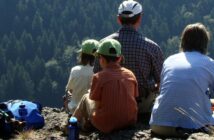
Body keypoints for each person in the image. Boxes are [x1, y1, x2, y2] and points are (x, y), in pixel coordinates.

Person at [93, 0, 164, 114]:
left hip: (109, 103)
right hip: (141, 106)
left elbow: (96, 74)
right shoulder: (152, 47)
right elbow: (161, 81)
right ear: (140, 18)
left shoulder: (103, 44)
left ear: (119, 19)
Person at [149, 23, 214, 137]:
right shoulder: (209, 63)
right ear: (205, 43)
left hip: (158, 126)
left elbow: (163, 90)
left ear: (183, 41)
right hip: (193, 128)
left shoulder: (169, 60)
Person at [72, 39, 139, 133]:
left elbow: (96, 104)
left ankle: (70, 126)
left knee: (85, 97)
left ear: (102, 59)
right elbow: (134, 97)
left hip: (106, 125)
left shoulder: (99, 77)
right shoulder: (130, 74)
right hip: (129, 121)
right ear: (119, 58)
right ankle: (87, 124)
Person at [64, 39, 99, 114]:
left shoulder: (75, 70)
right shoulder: (100, 72)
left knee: (66, 95)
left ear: (82, 55)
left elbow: (69, 89)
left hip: (75, 109)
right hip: (92, 111)